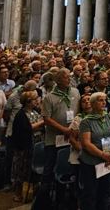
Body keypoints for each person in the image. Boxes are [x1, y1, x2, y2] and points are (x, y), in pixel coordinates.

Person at [78, 92, 110, 210]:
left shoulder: (109, 117)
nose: (104, 102)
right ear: (92, 103)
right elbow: (86, 143)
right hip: (92, 161)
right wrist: (102, 154)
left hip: (108, 159)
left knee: (105, 191)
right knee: (91, 193)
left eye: (104, 100)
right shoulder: (86, 121)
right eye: (100, 100)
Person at [41, 67, 80, 196]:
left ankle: (66, 196)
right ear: (57, 80)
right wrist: (63, 129)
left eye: (69, 76)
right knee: (49, 168)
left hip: (72, 137)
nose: (69, 79)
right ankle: (45, 196)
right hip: (54, 139)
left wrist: (74, 128)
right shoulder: (49, 97)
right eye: (66, 77)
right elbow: (46, 118)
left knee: (69, 168)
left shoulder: (75, 92)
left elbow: (79, 113)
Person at [10, 90, 42, 203]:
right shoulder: (21, 114)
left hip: (37, 142)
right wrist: (42, 123)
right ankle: (18, 193)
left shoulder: (35, 111)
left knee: (32, 170)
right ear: (28, 101)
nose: (37, 101)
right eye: (35, 99)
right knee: (21, 170)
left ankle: (35, 192)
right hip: (24, 146)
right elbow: (28, 128)